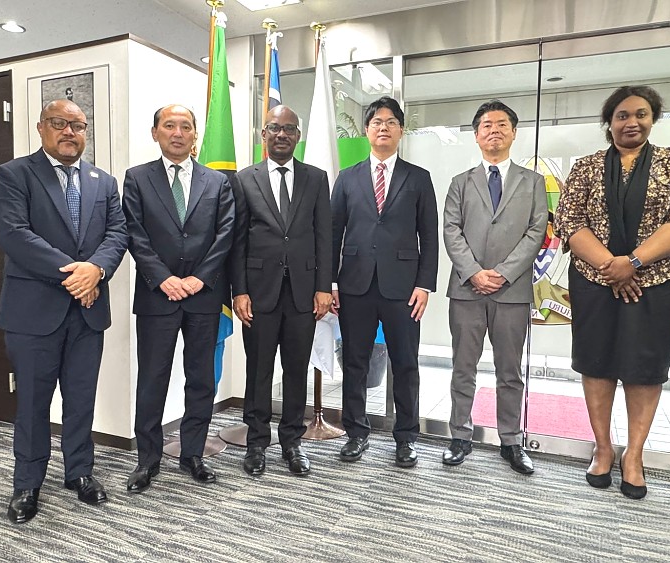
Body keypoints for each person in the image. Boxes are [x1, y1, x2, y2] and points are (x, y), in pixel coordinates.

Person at [554, 85, 670, 499]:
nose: (631, 122)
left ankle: (633, 456)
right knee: (596, 363)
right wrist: (611, 266)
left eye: (640, 114)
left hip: (654, 284)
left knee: (644, 367)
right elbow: (570, 221)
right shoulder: (586, 168)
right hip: (594, 282)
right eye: (622, 115)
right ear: (610, 122)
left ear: (652, 118)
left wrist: (632, 262)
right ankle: (603, 449)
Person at [0, 99, 127, 524]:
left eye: (79, 125)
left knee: (81, 398)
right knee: (33, 401)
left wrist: (98, 270)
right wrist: (78, 276)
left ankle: (79, 472)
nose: (70, 132)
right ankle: (27, 483)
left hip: (88, 313)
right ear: (40, 128)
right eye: (59, 124)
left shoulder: (102, 182)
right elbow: (14, 235)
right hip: (34, 312)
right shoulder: (13, 175)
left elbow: (118, 232)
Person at [122, 104, 235, 489]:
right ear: (155, 132)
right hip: (158, 296)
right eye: (169, 125)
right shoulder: (137, 178)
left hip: (203, 297)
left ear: (195, 136)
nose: (178, 132)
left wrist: (199, 279)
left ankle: (193, 455)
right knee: (152, 379)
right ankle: (147, 460)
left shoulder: (217, 182)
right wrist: (163, 278)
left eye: (186, 126)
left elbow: (225, 236)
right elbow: (134, 234)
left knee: (201, 380)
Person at [331, 96, 438, 467]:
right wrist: (330, 282)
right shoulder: (347, 178)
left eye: (391, 122)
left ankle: (406, 437)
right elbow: (333, 234)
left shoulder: (419, 177)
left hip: (404, 288)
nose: (383, 127)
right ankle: (356, 433)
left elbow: (430, 234)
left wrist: (424, 285)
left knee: (405, 364)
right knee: (355, 363)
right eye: (376, 121)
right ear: (366, 130)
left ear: (400, 130)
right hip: (355, 286)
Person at [442, 100, 547, 474]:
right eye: (486, 125)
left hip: (512, 291)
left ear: (514, 132)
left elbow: (537, 231)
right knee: (462, 367)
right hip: (467, 291)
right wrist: (474, 272)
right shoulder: (460, 183)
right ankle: (459, 435)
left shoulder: (533, 182)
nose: (494, 130)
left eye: (502, 124)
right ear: (476, 135)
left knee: (510, 371)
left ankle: (511, 441)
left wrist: (503, 272)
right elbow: (451, 231)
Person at [231, 105, 333, 476]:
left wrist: (324, 287)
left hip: (304, 294)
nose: (281, 134)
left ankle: (292, 442)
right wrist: (238, 291)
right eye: (274, 128)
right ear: (263, 134)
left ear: (298, 136)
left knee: (295, 370)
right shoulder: (244, 179)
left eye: (289, 129)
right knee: (258, 370)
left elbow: (325, 235)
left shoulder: (316, 178)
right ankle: (256, 443)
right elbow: (237, 240)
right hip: (258, 293)